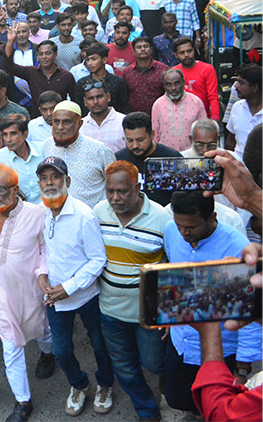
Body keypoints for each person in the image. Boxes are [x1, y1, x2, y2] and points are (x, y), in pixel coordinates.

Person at [163, 190, 259, 414]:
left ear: (212, 217)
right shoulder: (171, 231)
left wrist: (242, 368)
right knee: (176, 397)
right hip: (182, 341)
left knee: (222, 405)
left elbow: (252, 312)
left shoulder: (238, 247)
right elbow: (173, 278)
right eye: (179, 226)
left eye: (191, 227)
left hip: (224, 349)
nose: (183, 232)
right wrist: (169, 317)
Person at [0, 164, 55, 422]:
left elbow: (46, 249)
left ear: (15, 189)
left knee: (42, 332)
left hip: (31, 291)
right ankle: (23, 401)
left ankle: (47, 354)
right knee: (10, 344)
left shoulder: (36, 214)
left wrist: (42, 274)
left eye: (0, 189)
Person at [35, 157, 114, 416]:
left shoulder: (83, 215)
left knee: (99, 344)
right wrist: (42, 274)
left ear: (67, 181)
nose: (50, 183)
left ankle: (105, 384)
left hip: (86, 295)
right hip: (55, 297)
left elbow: (98, 259)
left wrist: (69, 287)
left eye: (55, 177)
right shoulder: (41, 211)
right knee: (61, 350)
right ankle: (79, 384)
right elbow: (42, 249)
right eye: (44, 178)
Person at [94, 161, 169, 421]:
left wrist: (169, 311)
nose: (115, 198)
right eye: (110, 191)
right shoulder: (98, 212)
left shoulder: (161, 218)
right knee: (124, 367)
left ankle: (166, 388)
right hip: (110, 310)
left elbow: (173, 265)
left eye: (123, 191)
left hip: (149, 313)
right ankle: (147, 410)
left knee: (153, 363)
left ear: (138, 188)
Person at [42, 101, 116, 208]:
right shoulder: (47, 145)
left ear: (79, 124)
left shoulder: (99, 150)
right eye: (56, 122)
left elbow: (114, 185)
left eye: (66, 122)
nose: (60, 127)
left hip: (93, 219)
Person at [116, 112, 183, 206]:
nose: (135, 145)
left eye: (140, 140)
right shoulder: (119, 160)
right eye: (130, 140)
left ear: (152, 134)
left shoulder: (172, 158)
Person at [151, 68, 208, 153]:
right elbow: (155, 135)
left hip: (192, 155)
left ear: (183, 82)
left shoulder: (196, 102)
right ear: (164, 85)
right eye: (169, 85)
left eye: (176, 83)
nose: (173, 88)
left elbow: (204, 131)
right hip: (165, 155)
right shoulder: (158, 104)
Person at [0, 115, 43, 204]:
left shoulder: (42, 149)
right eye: (5, 135)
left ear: (25, 134)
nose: (8, 139)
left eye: (13, 133)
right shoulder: (1, 156)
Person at [172, 37, 220, 119]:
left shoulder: (207, 69)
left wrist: (215, 118)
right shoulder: (174, 72)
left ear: (194, 50)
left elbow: (213, 97)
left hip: (204, 118)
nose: (186, 55)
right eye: (182, 53)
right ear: (176, 55)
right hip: (181, 119)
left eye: (189, 51)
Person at [121, 36, 168, 115]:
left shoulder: (163, 69)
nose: (143, 49)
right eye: (139, 47)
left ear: (151, 50)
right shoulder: (127, 72)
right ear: (133, 52)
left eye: (145, 46)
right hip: (135, 117)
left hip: (160, 115)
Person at [225, 64, 263, 160]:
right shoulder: (237, 107)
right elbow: (230, 141)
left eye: (241, 83)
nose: (236, 87)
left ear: (255, 87)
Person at [80, 79, 127, 153]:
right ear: (85, 102)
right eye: (91, 98)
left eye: (99, 97)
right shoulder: (80, 126)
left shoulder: (124, 121)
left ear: (108, 97)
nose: (95, 102)